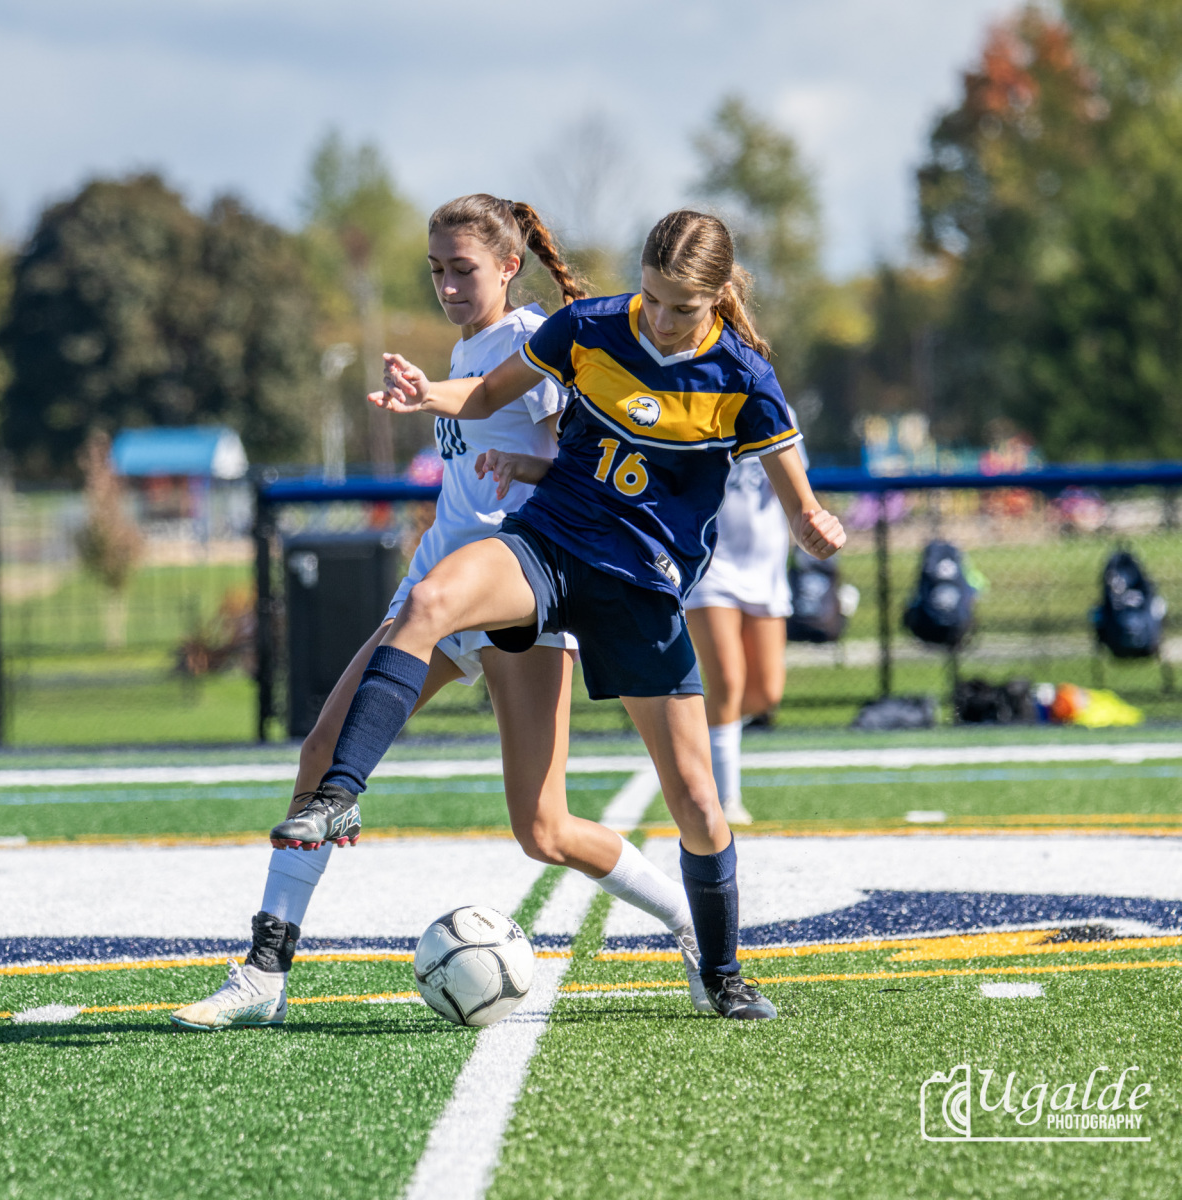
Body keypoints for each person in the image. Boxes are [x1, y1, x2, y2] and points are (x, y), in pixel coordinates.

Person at [266, 210, 846, 1020]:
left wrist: (814, 525)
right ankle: (338, 796)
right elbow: (486, 392)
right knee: (429, 602)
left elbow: (798, 499)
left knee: (697, 801)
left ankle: (720, 971)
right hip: (548, 546)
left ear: (718, 297)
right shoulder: (590, 326)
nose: (662, 319)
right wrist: (429, 395)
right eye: (651, 298)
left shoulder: (743, 377)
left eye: (682, 307)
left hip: (641, 589)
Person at [171, 196, 706, 1030]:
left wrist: (514, 461)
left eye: (464, 269)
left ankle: (688, 922)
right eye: (436, 271)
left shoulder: (537, 339)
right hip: (436, 587)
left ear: (508, 266)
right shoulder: (464, 349)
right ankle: (265, 971)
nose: (449, 285)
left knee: (544, 828)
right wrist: (431, 395)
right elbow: (474, 405)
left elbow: (580, 458)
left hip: (522, 588)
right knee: (320, 751)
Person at [685, 436, 805, 825]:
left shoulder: (776, 409)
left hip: (765, 569)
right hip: (709, 562)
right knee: (727, 681)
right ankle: (725, 801)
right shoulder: (695, 408)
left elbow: (795, 486)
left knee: (765, 693)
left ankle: (686, 735)